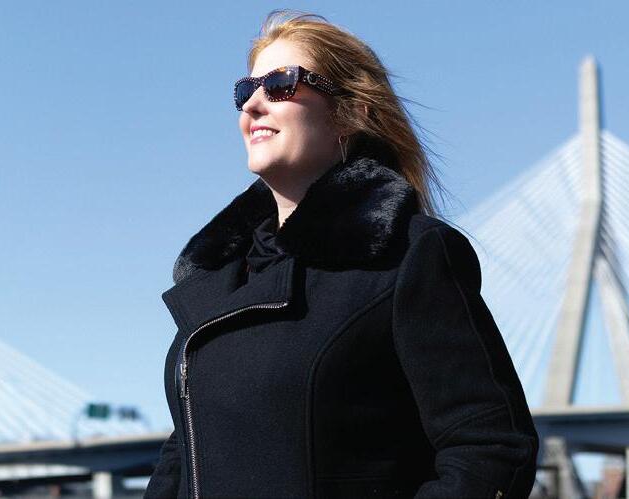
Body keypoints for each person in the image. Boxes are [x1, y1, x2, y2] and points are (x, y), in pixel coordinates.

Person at [144, 10, 538, 499]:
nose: (254, 105)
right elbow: (185, 457)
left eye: (281, 84)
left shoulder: (407, 257)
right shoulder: (219, 282)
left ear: (352, 114)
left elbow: (492, 448)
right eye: (245, 91)